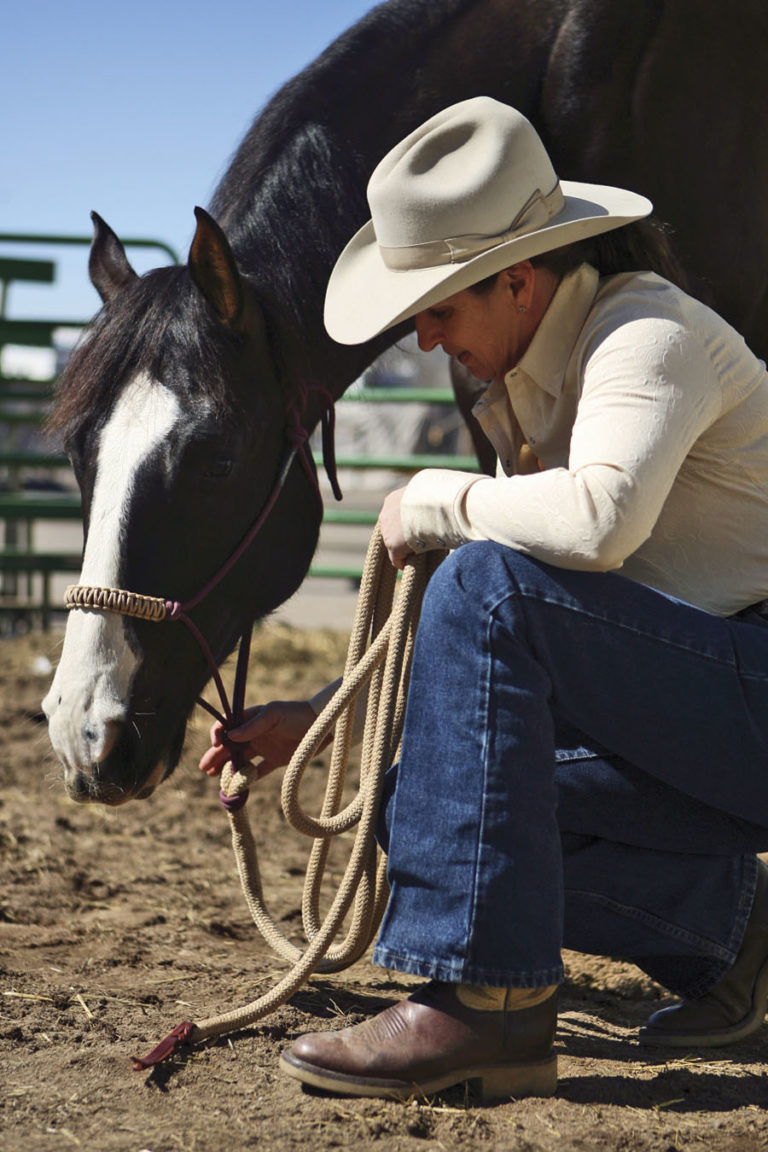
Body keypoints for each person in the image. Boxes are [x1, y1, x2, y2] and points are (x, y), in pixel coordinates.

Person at [200, 97, 768, 1102]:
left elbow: (596, 526)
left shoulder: (647, 334)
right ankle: (739, 937)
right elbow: (523, 651)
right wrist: (330, 720)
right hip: (711, 706)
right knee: (425, 806)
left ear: (517, 279)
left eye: (440, 308)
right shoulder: (524, 385)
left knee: (484, 580)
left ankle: (480, 1005)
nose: (425, 338)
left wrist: (437, 499)